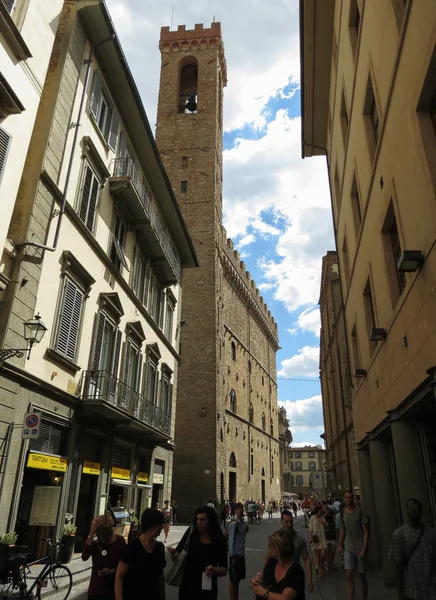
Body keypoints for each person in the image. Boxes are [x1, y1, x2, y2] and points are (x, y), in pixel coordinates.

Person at [168, 505, 227, 600]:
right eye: (197, 519)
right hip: (187, 587)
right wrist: (174, 554)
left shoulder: (219, 540)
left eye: (203, 520)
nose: (199, 523)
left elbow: (224, 569)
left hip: (207, 590)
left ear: (210, 521)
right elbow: (176, 558)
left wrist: (215, 570)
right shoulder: (192, 533)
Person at [389, 497, 436, 600]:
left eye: (415, 507)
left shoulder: (432, 534)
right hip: (412, 591)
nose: (413, 509)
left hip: (432, 590)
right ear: (406, 510)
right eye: (410, 507)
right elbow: (397, 566)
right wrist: (400, 593)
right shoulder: (399, 534)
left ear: (421, 510)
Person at [115, 508, 165, 600]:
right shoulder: (132, 548)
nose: (162, 526)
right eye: (160, 524)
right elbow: (119, 576)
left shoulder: (159, 548)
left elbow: (160, 576)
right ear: (152, 525)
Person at [264, 509, 313, 593]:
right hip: (276, 576)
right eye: (286, 522)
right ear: (281, 522)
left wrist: (309, 579)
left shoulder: (299, 539)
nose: (289, 524)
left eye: (291, 522)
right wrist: (265, 576)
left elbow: (307, 559)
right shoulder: (275, 538)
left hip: (293, 576)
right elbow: (269, 556)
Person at [82, 511, 126, 600]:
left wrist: (111, 571)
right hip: (96, 590)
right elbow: (84, 556)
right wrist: (91, 533)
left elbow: (125, 565)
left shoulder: (120, 542)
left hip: (113, 589)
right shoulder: (95, 543)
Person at [252, 529, 305, 599]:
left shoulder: (295, 571)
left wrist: (265, 593)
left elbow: (285, 598)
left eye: (270, 545)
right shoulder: (272, 563)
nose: (269, 548)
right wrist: (256, 580)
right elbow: (265, 578)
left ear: (278, 548)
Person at [338, 490, 369, 600]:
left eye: (350, 497)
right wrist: (340, 544)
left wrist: (364, 548)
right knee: (349, 576)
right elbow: (343, 529)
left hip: (359, 548)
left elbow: (366, 531)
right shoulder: (343, 512)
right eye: (346, 498)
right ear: (344, 499)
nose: (348, 499)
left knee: (362, 576)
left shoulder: (360, 512)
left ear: (353, 498)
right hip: (348, 548)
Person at [228, 502, 247, 600]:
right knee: (233, 580)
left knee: (237, 580)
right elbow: (231, 541)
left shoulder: (241, 524)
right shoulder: (234, 524)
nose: (240, 510)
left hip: (241, 555)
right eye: (238, 509)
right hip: (235, 556)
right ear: (235, 511)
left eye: (241, 508)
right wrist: (232, 557)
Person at [309, 506, 327, 578]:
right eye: (320, 510)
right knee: (316, 556)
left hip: (323, 539)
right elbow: (310, 529)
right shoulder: (312, 518)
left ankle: (320, 565)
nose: (321, 512)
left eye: (321, 511)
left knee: (323, 555)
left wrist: (323, 523)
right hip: (315, 540)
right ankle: (319, 571)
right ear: (317, 511)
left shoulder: (323, 518)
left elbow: (327, 527)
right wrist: (310, 538)